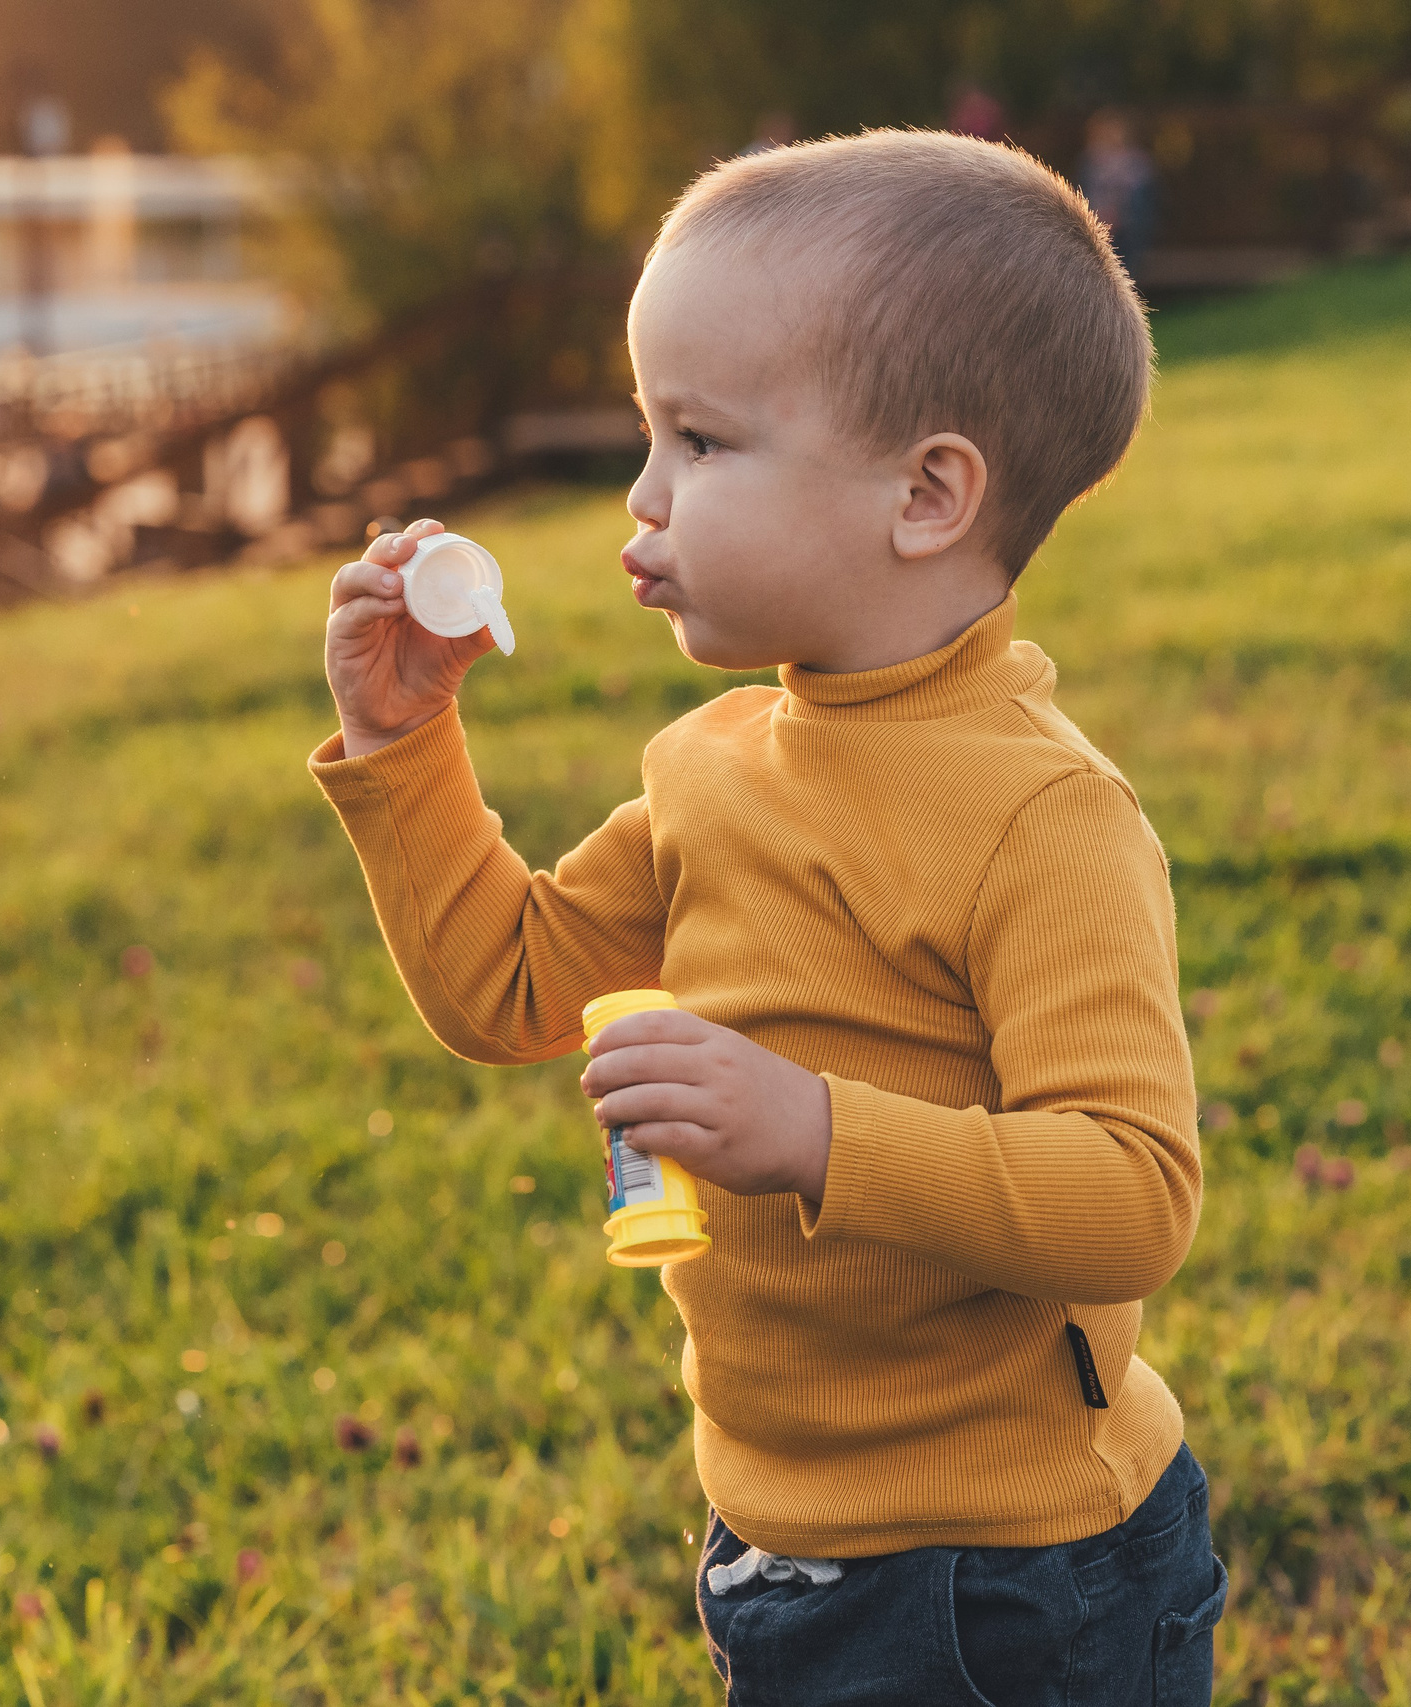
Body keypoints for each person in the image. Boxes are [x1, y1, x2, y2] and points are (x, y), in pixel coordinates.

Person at [310, 130, 1216, 1706]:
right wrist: (405, 741)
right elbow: (503, 985)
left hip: (1015, 1577)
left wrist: (812, 1129)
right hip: (781, 1536)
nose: (644, 495)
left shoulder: (1041, 815)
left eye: (703, 440)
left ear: (926, 494)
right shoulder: (714, 769)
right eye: (649, 432)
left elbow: (1132, 1194)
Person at [1081, 109, 1160, 278]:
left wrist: (1121, 217)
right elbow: (1081, 197)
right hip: (1096, 224)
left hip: (1127, 230)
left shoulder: (1137, 165)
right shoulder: (1090, 163)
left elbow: (1145, 207)